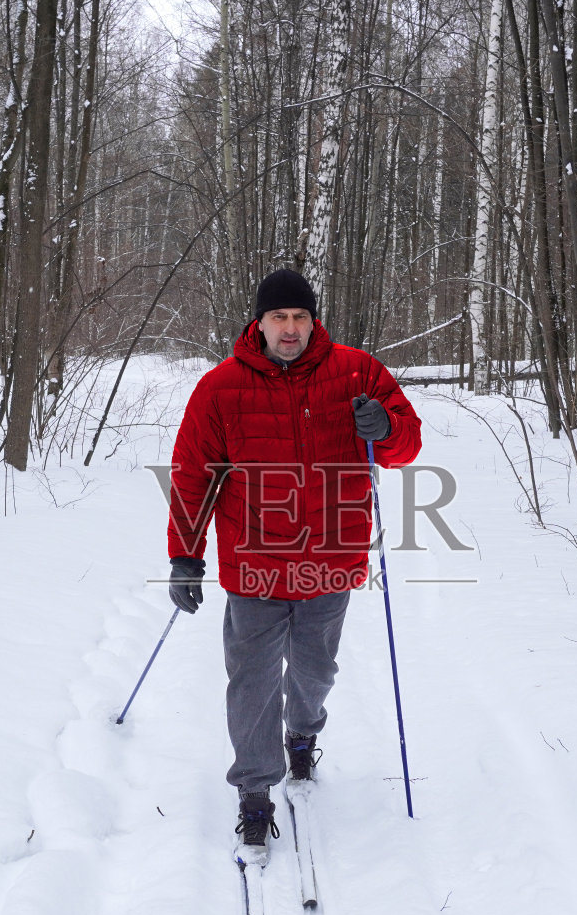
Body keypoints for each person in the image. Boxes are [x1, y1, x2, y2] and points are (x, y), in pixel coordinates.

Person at [165, 269, 422, 851]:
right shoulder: (220, 388)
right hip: (253, 565)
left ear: (314, 321)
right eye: (279, 317)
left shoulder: (358, 373)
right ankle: (255, 792)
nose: (289, 328)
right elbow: (192, 477)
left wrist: (385, 427)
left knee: (315, 673)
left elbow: (407, 442)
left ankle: (303, 734)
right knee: (252, 684)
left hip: (330, 561)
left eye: (299, 317)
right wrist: (185, 556)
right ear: (258, 322)